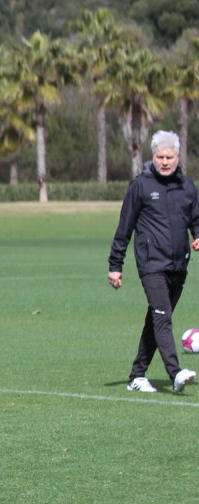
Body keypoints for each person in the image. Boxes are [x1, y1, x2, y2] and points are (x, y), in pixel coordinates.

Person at [108, 129, 199, 394]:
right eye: (160, 157)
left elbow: (196, 219)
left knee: (157, 318)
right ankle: (175, 372)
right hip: (151, 265)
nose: (165, 162)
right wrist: (115, 265)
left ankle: (137, 375)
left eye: (169, 157)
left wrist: (197, 235)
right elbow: (124, 227)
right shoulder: (140, 186)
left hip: (179, 265)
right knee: (162, 316)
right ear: (153, 156)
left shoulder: (187, 187)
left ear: (178, 157)